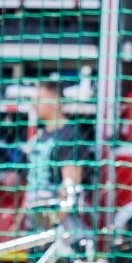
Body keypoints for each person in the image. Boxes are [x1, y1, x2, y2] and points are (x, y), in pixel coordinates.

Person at [24, 80, 94, 235]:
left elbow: (70, 182)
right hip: (35, 218)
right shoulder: (39, 137)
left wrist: (55, 219)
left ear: (55, 102)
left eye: (39, 99)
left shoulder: (70, 135)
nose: (33, 105)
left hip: (58, 220)